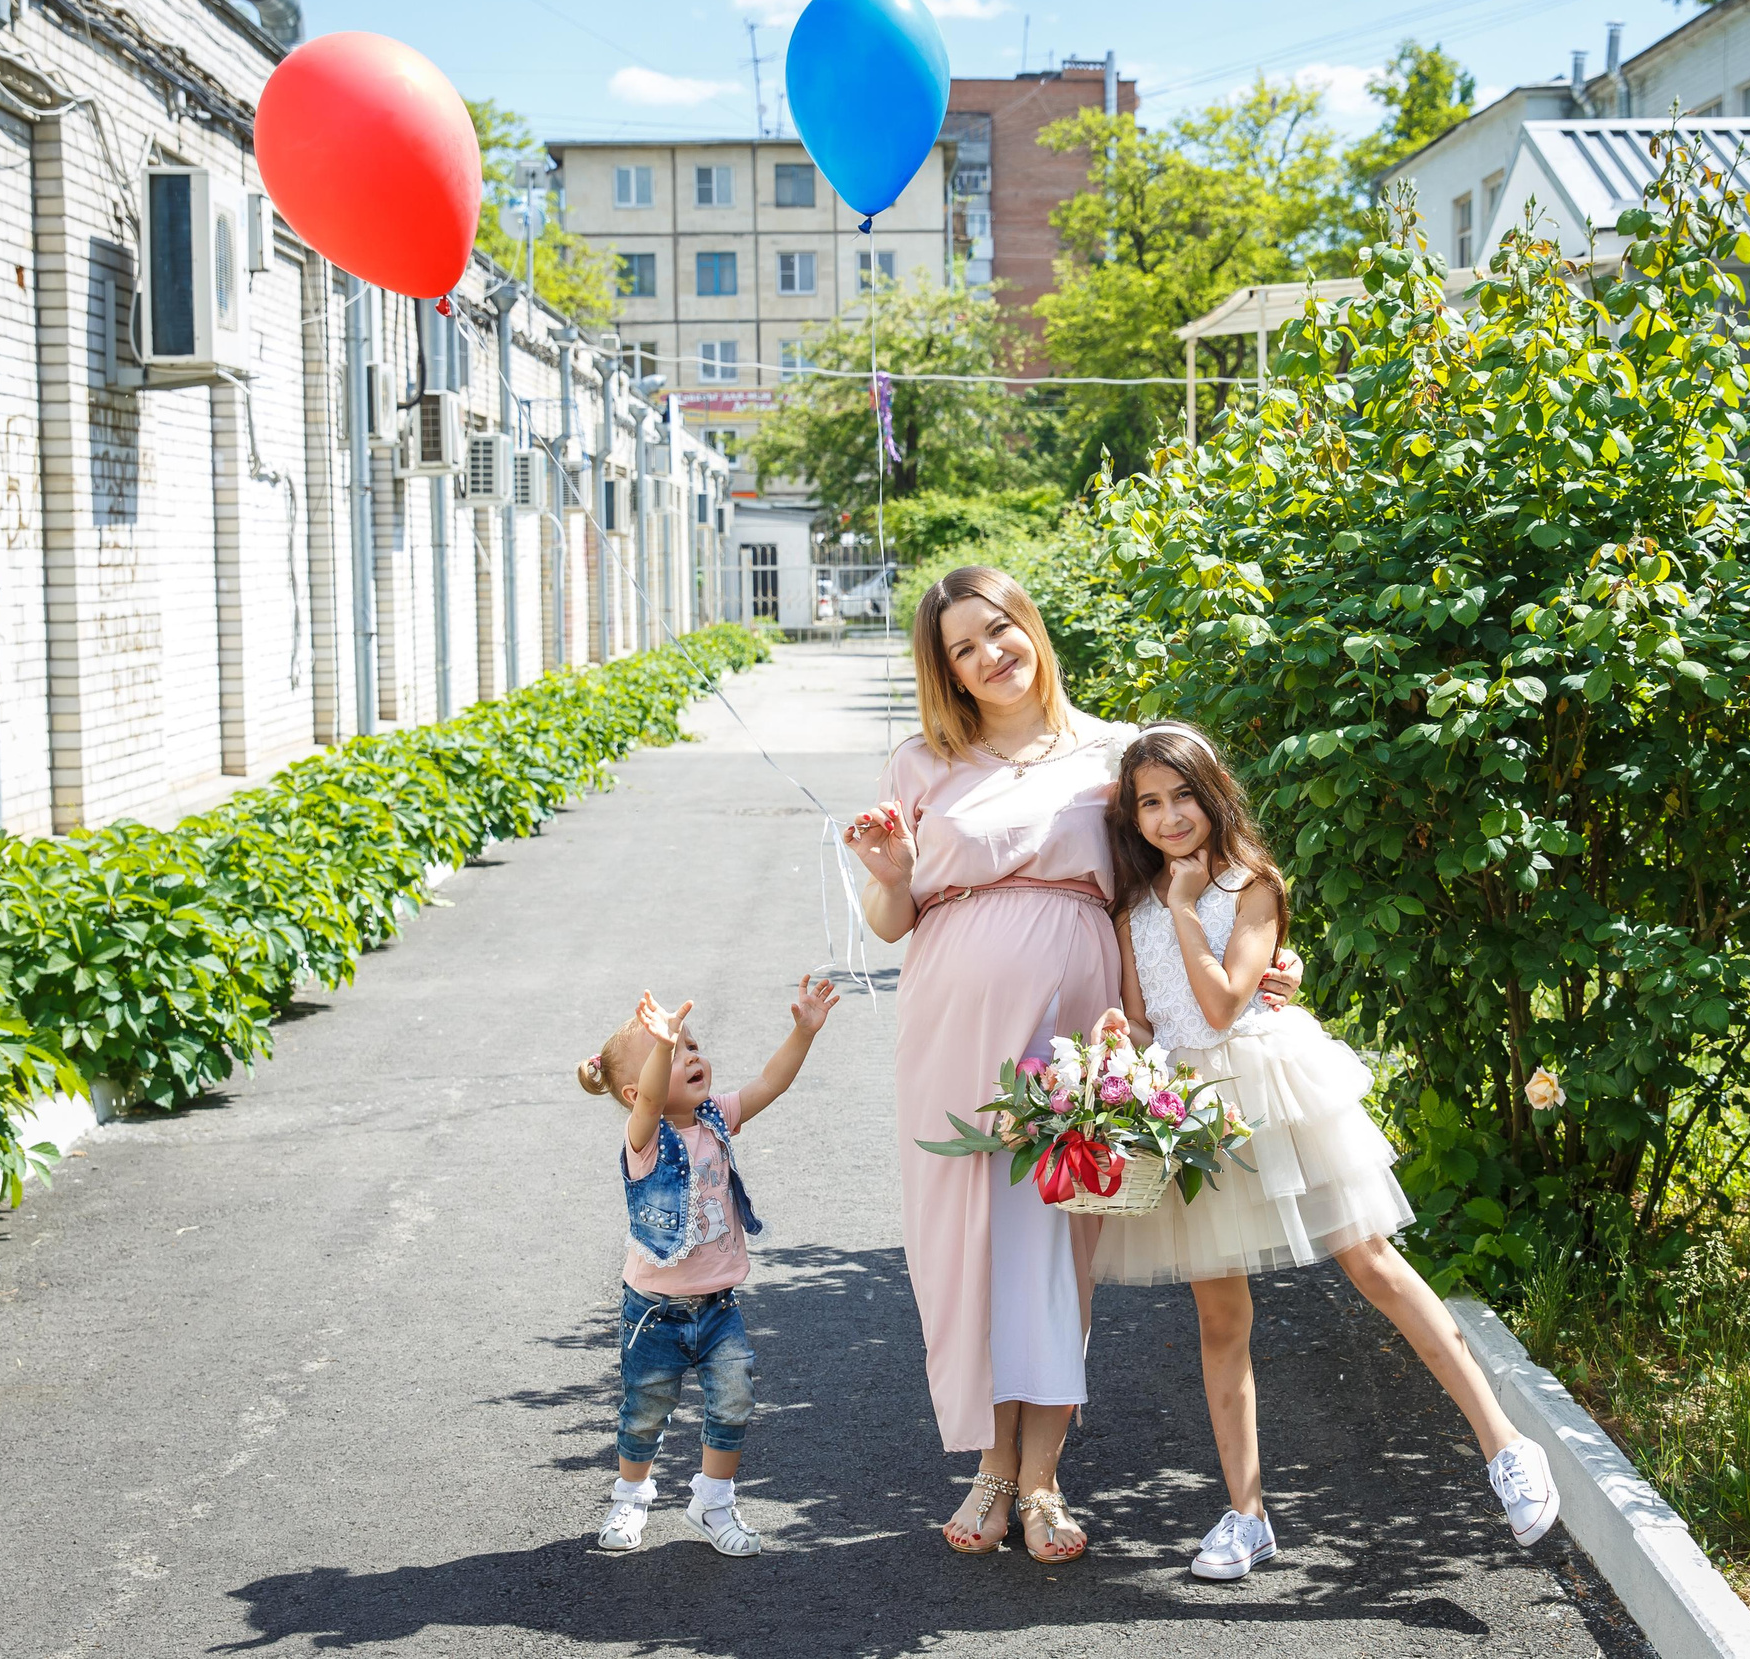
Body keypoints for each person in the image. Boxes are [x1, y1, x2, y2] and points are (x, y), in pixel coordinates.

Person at [843, 567, 1298, 1563]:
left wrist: (1266, 955)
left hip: (1078, 1013)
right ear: (946, 669)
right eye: (961, 648)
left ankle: (1042, 1477)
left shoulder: (1108, 754)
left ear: (1030, 626)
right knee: (962, 1235)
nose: (987, 656)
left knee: (1052, 1238)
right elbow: (892, 919)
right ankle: (989, 1468)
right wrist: (886, 876)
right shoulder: (922, 760)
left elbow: (1187, 870)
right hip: (951, 1018)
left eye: (998, 630)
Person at [1091, 723, 1562, 1580]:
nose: (1168, 816)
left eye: (1182, 795)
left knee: (1372, 1261)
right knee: (1220, 1315)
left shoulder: (1250, 884)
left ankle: (1505, 1443)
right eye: (1149, 803)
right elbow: (1152, 1016)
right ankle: (1246, 1513)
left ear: (1214, 790)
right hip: (1191, 1110)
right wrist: (1120, 1044)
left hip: (1271, 1087)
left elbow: (1229, 1001)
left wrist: (1191, 908)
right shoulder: (1132, 906)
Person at [575, 976, 841, 1556]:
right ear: (631, 1091)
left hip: (719, 1307)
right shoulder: (644, 1139)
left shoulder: (715, 1117)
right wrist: (662, 1045)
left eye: (692, 1045)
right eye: (673, 1052)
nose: (690, 1053)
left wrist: (803, 1032)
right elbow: (650, 1099)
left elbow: (771, 1082)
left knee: (734, 1400)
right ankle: (631, 1499)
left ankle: (712, 1502)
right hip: (655, 1311)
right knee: (645, 1409)